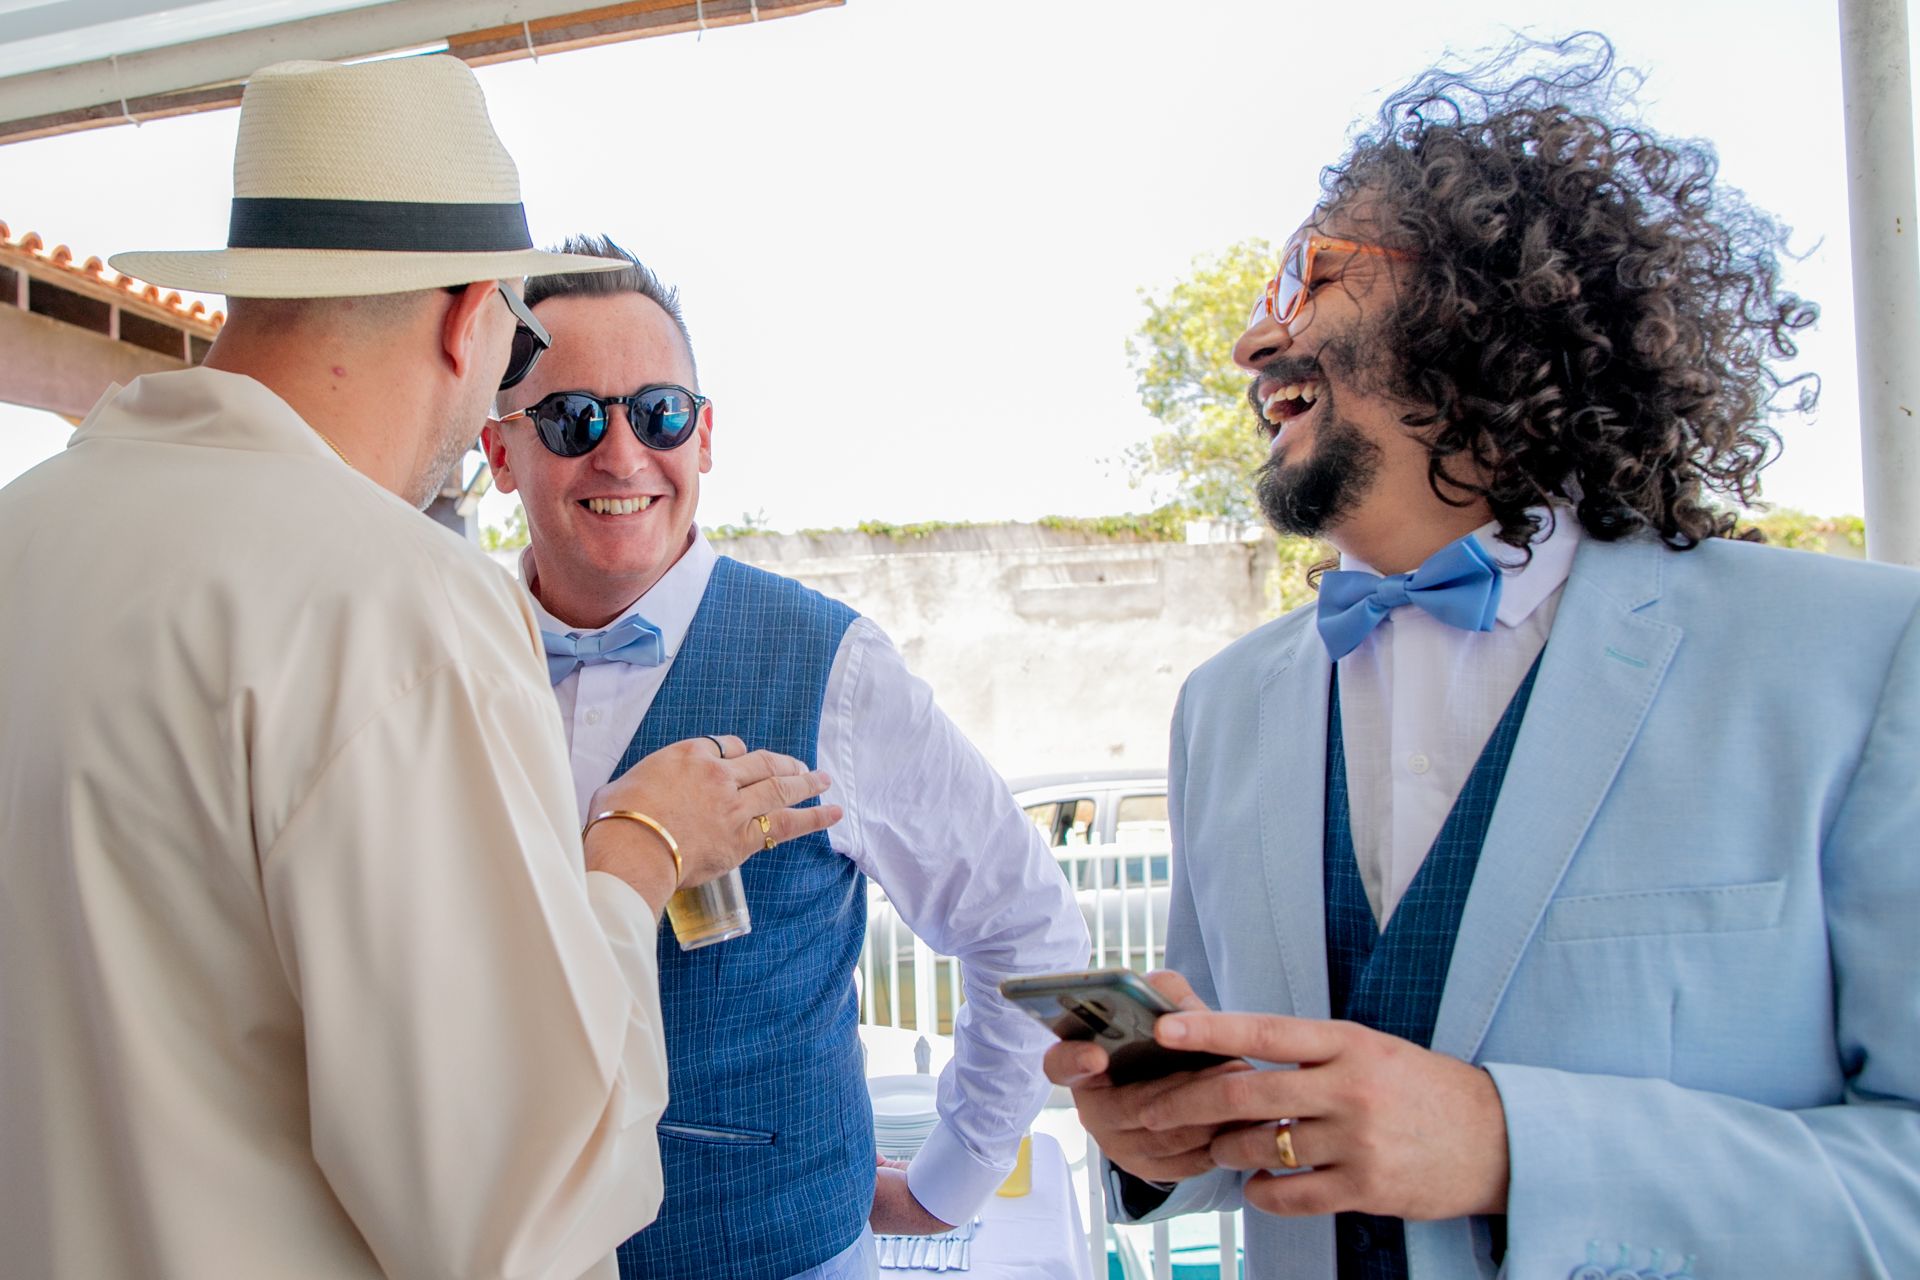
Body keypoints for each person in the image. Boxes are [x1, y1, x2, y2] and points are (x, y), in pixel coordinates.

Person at [1046, 35, 1920, 1280]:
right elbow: (1246, 1129)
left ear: (1481, 302)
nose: (1250, 341)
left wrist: (1516, 1145)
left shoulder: (1862, 659)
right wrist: (1162, 1143)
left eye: (1307, 274)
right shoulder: (1222, 707)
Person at [0, 57, 839, 1280]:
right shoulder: (401, 604)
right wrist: (636, 853)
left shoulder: (23, 538)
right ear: (469, 319)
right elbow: (520, 1207)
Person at [480, 237, 1090, 1280]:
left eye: (660, 412)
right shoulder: (442, 653)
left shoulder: (831, 665)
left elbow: (1026, 928)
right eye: (573, 418)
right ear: (501, 454)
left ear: (705, 436)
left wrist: (949, 1180)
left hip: (776, 1250)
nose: (621, 454)